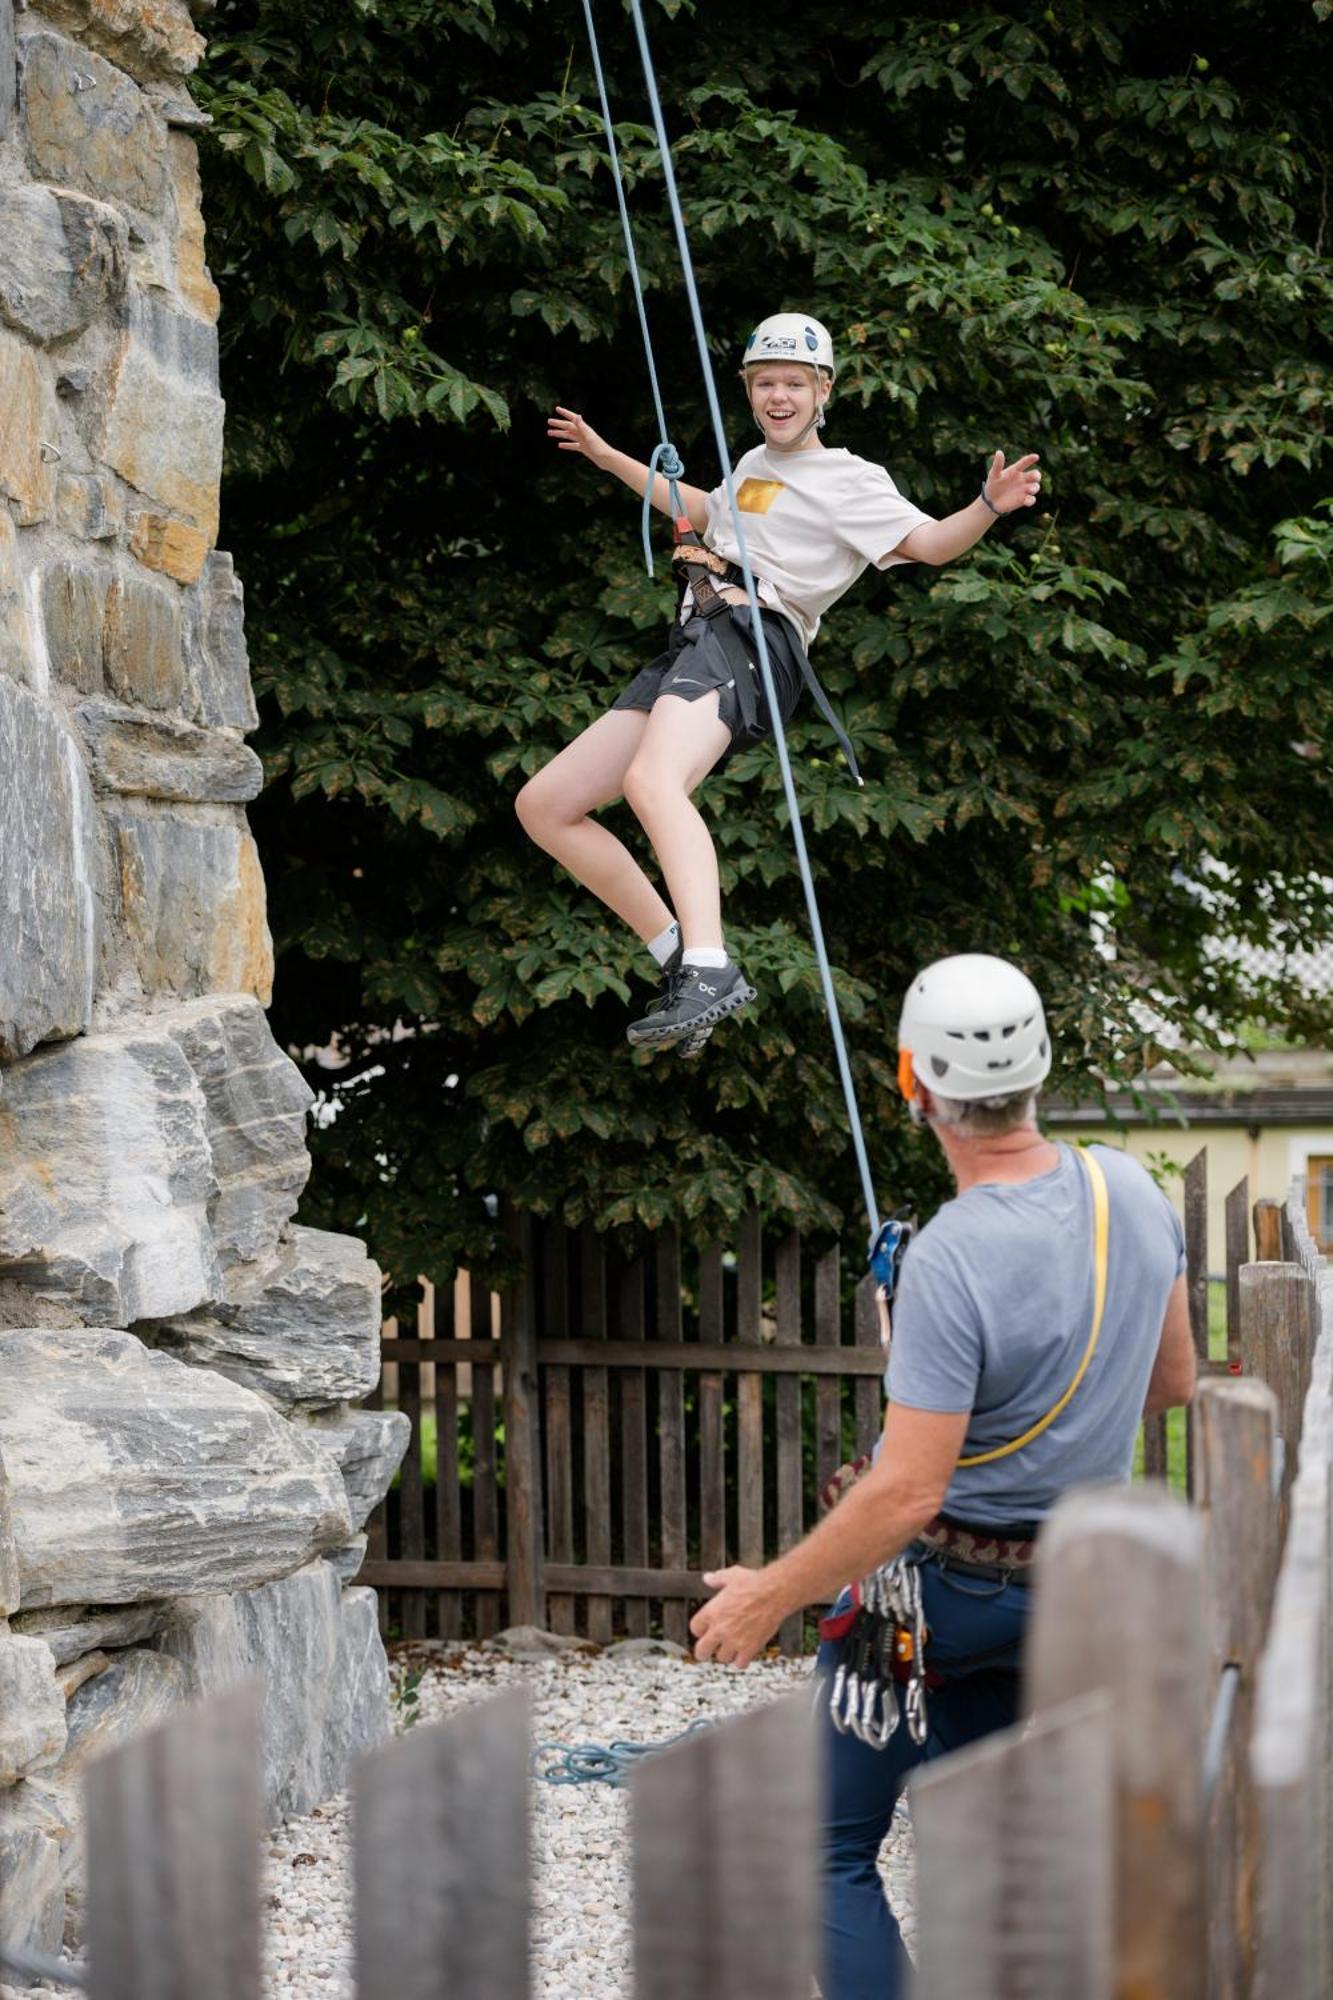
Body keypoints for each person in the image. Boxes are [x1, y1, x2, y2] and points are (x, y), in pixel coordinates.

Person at [690, 952, 1197, 1999]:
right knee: (995, 1838)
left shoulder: (951, 1256)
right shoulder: (1131, 1192)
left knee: (818, 1847)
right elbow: (1172, 1379)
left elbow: (909, 1491)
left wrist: (767, 1592)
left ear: (911, 1084)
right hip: (1074, 1592)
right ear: (1039, 1067)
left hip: (944, 1599)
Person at [516, 315, 1041, 1053]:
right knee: (546, 804)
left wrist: (985, 506)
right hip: (697, 636)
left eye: (794, 383)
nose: (779, 395)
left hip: (753, 638)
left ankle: (708, 964)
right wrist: (609, 459)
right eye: (765, 383)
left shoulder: (849, 479)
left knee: (653, 781)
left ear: (823, 390)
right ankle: (676, 957)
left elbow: (925, 544)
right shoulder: (755, 466)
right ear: (748, 391)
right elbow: (703, 511)